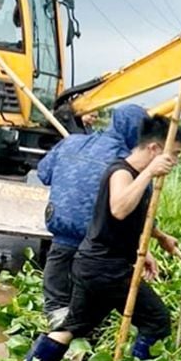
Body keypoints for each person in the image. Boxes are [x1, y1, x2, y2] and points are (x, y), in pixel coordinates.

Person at [23, 116, 181, 361]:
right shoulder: (121, 172)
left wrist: (159, 238)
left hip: (93, 266)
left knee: (72, 327)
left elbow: (132, 219)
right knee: (157, 320)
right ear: (154, 149)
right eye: (174, 154)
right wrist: (150, 173)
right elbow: (120, 208)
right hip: (107, 269)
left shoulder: (135, 174)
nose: (175, 161)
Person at [37, 104, 148, 328]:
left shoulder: (71, 142)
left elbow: (43, 173)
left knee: (57, 307)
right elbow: (136, 209)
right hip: (97, 253)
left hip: (60, 241)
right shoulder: (128, 164)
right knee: (86, 315)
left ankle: (47, 352)